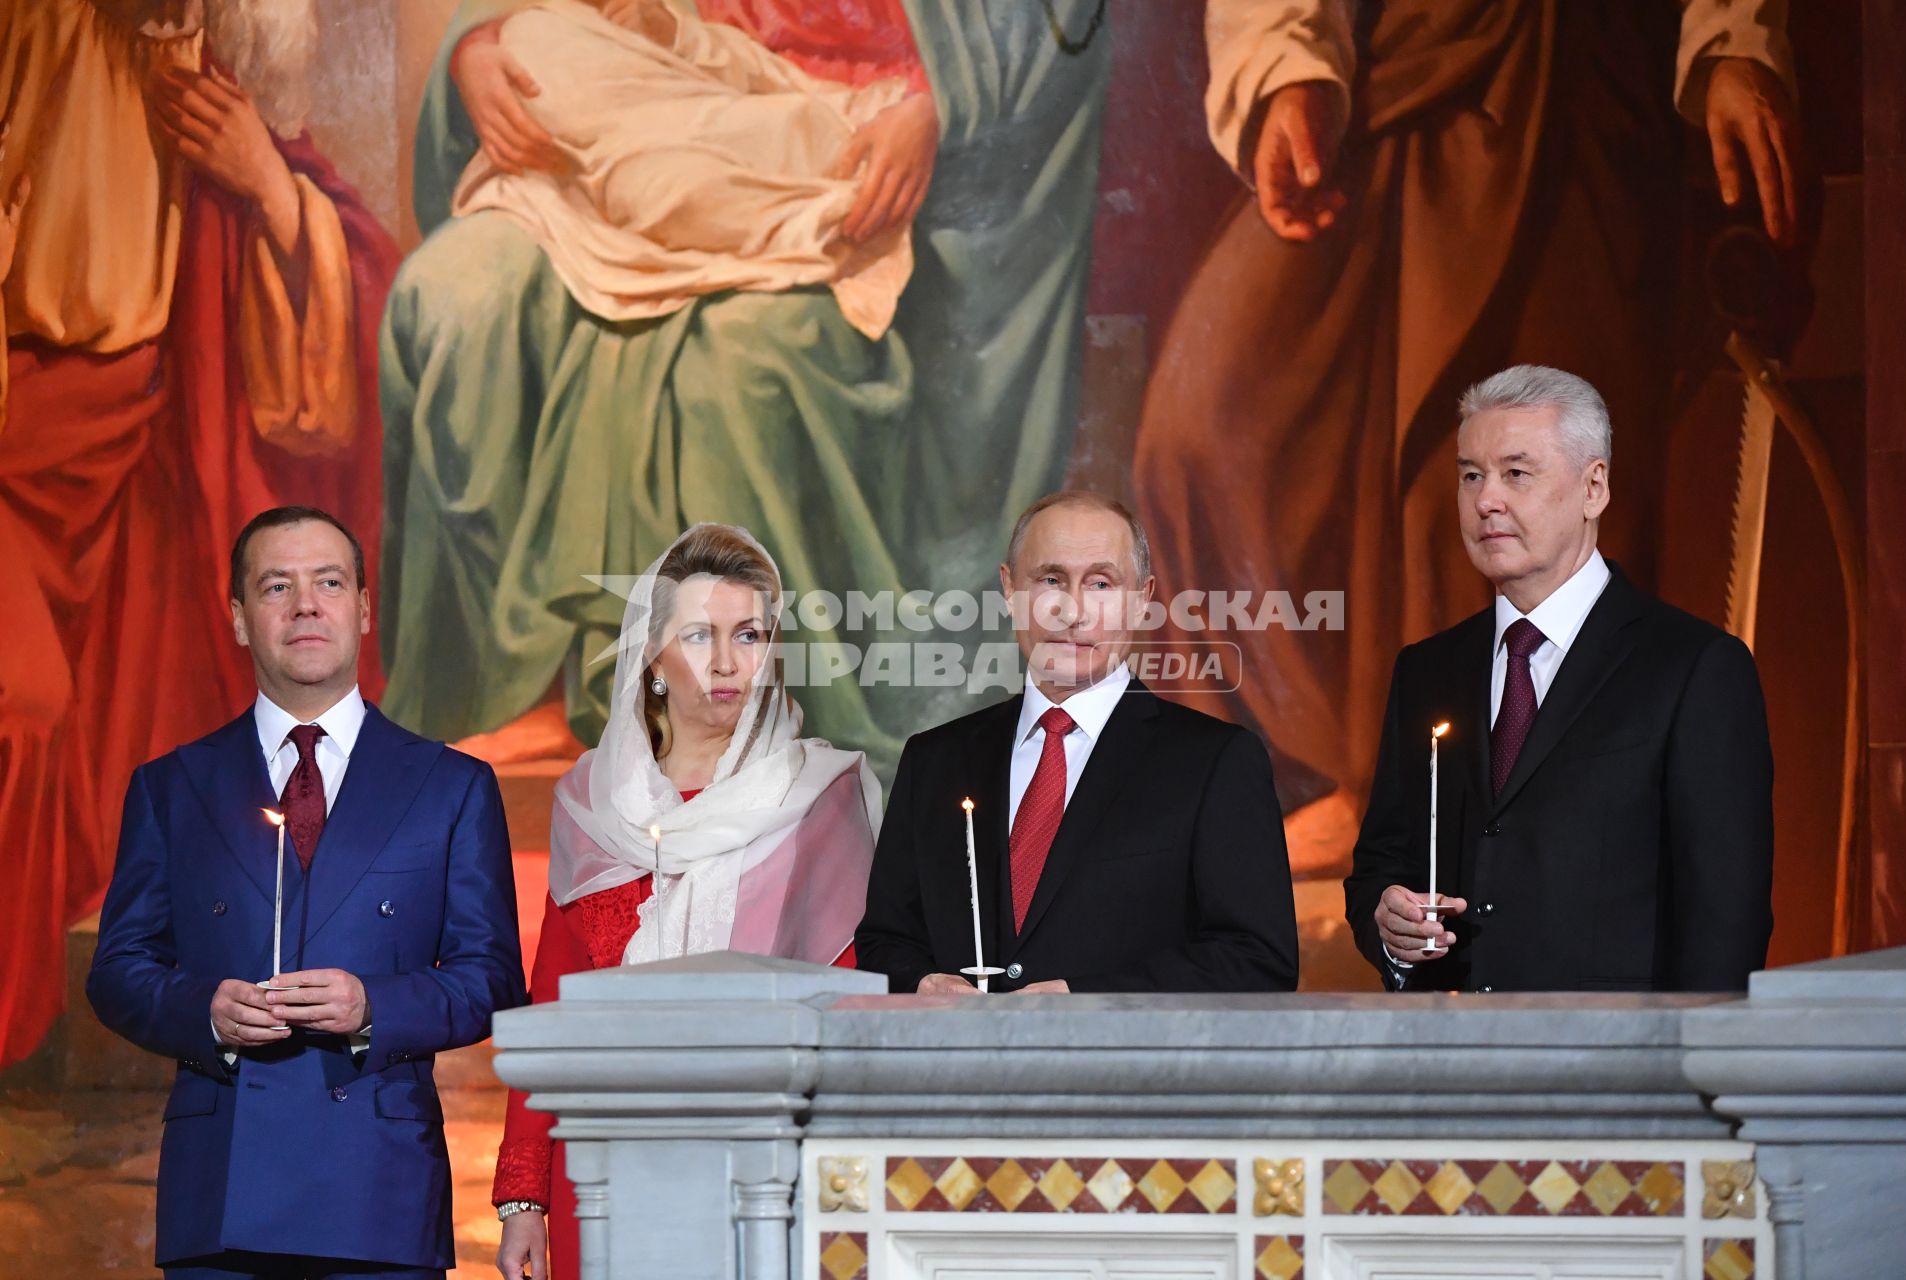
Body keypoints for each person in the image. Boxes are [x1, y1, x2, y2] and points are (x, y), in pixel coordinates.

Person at [1130, 0, 1799, 870]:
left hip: (1572, 83)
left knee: (1501, 469)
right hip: (1389, 78)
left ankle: (1475, 818)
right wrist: (1286, 68)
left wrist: (1731, 44)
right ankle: (1358, 784)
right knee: (1199, 430)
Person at [378, 0, 1114, 781]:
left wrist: (938, 109)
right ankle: (502, 684)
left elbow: (1050, 34)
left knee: (733, 368)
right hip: (663, 106)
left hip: (863, 146)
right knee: (459, 297)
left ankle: (722, 725)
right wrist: (479, 51)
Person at [0, 0, 397, 1067]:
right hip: (34, 460)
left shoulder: (225, 72)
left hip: (162, 490)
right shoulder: (37, 42)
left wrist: (264, 181)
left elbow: (349, 311)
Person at [86, 507, 525, 1277]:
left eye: (328, 582)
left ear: (362, 608)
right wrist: (205, 1013)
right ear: (239, 619)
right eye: (276, 586)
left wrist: (371, 1008)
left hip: (377, 1194)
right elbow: (119, 971)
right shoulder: (172, 787)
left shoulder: (450, 787)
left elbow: (490, 980)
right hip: (221, 1195)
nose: (305, 606)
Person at [492, 524, 879, 1280]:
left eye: (751, 635)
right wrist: (523, 1201)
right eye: (700, 635)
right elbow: (551, 1012)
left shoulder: (819, 801)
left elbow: (855, 1014)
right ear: (653, 653)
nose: (729, 662)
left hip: (769, 1175)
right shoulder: (587, 801)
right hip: (597, 1164)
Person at [1344, 367, 1774, 993]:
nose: (1486, 499)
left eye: (1516, 473)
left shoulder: (1694, 667)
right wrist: (1391, 929)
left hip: (1617, 1073)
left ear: (1593, 486)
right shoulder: (1427, 671)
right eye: (1471, 475)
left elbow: (1725, 918)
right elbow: (1382, 860)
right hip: (1447, 1066)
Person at [855, 492, 1298, 995]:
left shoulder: (1216, 762)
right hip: (959, 1069)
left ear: (1142, 598)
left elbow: (1259, 961)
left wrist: (1084, 1000)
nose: (1073, 610)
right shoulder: (934, 762)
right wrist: (922, 983)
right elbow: (885, 941)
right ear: (1009, 588)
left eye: (1101, 583)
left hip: (1121, 1071)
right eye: (1050, 580)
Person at [450, 0, 916, 342]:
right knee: (535, 37)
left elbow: (972, 61)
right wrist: (473, 50)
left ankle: (811, 208)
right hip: (649, 109)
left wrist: (928, 109)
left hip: (827, 117)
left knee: (665, 185)